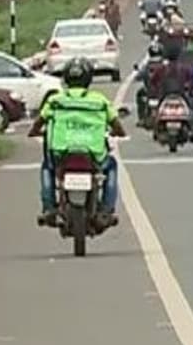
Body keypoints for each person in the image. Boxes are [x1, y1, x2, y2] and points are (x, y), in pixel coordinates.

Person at [29, 58, 124, 227]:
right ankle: (106, 210)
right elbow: (116, 123)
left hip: (62, 153)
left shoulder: (56, 100)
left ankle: (49, 208)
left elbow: (40, 121)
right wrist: (119, 133)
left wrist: (34, 132)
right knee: (112, 166)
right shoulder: (99, 100)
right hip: (93, 153)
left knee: (47, 168)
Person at [135, 42, 163, 126]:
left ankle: (142, 118)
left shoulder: (147, 65)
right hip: (160, 91)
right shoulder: (164, 65)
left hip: (152, 91)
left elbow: (139, 76)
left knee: (140, 95)